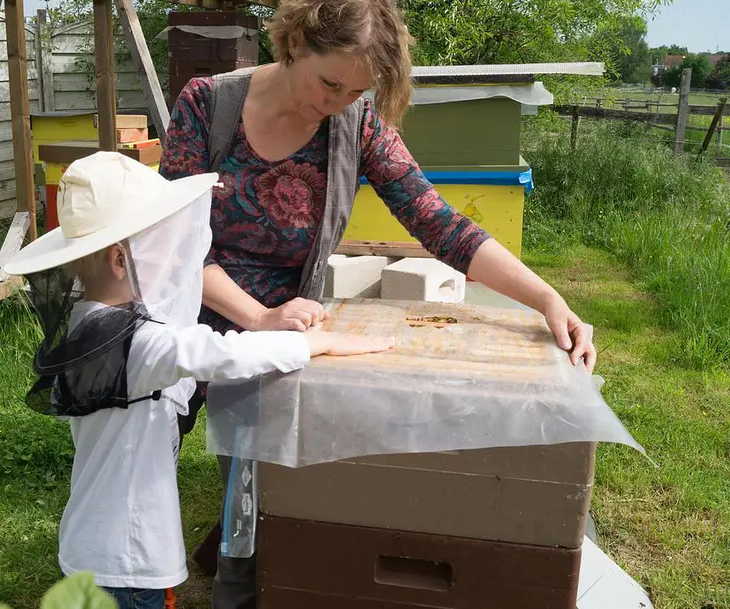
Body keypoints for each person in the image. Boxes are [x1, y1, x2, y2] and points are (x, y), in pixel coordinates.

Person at [159, 1, 597, 606]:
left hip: (287, 329)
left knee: (256, 480)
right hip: (187, 312)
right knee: (144, 457)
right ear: (294, 46)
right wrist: (256, 318)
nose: (338, 101)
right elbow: (172, 248)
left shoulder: (356, 122)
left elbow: (437, 222)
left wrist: (547, 297)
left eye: (357, 90)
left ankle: (242, 582)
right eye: (330, 82)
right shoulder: (207, 105)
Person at [2, 151, 394, 609]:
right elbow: (226, 354)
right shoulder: (140, 345)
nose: (171, 255)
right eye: (156, 243)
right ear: (119, 260)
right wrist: (318, 343)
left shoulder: (85, 327)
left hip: (88, 542)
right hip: (131, 560)